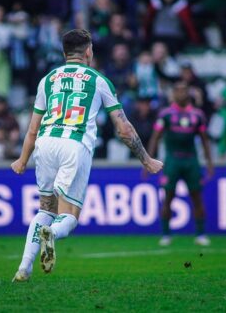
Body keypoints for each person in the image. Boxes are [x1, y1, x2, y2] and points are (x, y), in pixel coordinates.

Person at [10, 29, 163, 282]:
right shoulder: (98, 80)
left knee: (46, 207)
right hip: (75, 144)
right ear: (89, 51)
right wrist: (146, 159)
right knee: (68, 216)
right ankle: (52, 233)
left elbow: (32, 130)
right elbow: (124, 129)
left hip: (46, 143)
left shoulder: (47, 80)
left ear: (63, 53)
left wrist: (22, 160)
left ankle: (24, 268)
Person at [146, 81, 214, 247]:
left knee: (197, 196)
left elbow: (205, 140)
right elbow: (155, 137)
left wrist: (210, 162)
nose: (181, 93)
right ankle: (166, 234)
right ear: (173, 94)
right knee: (168, 197)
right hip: (172, 160)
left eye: (184, 90)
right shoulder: (166, 114)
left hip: (191, 160)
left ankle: (200, 234)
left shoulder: (198, 115)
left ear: (188, 93)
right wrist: (147, 160)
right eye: (177, 91)